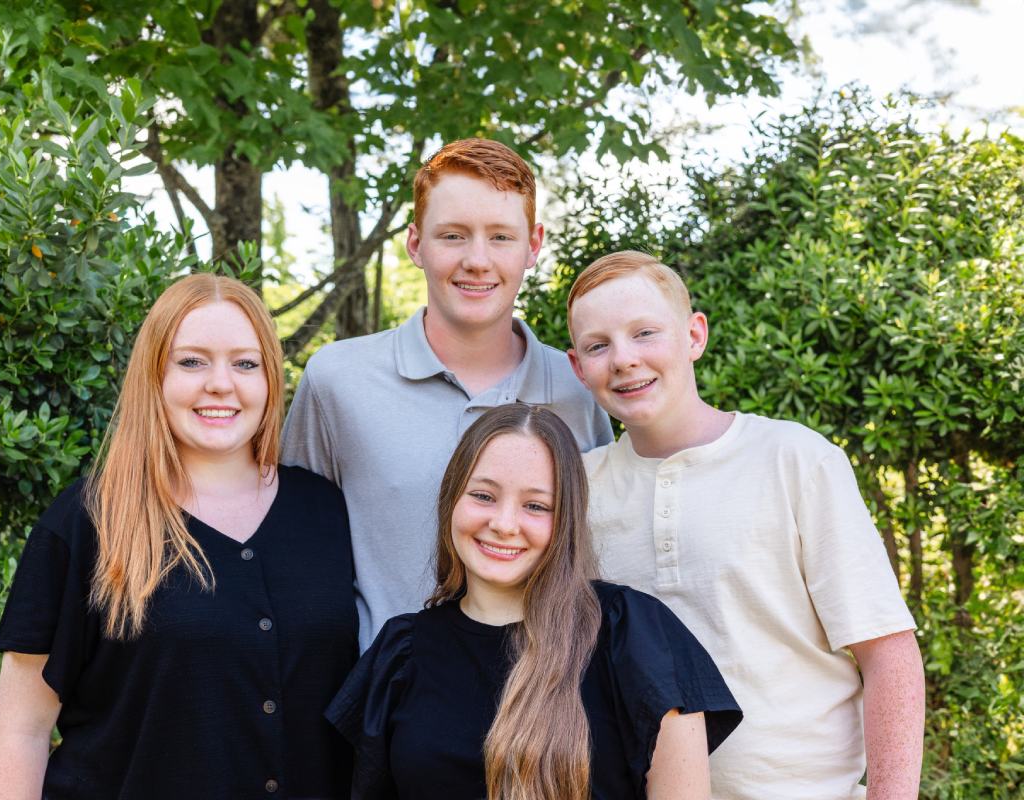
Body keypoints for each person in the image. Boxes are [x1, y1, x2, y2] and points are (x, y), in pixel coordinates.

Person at [566, 251, 925, 799]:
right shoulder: (576, 489)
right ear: (576, 367)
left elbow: (888, 652)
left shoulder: (796, 459)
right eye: (598, 345)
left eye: (645, 333)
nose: (623, 360)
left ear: (694, 335)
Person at [0, 274, 358, 799]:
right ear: (153, 374)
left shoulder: (326, 512)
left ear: (271, 378)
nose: (220, 383)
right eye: (192, 361)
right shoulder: (90, 520)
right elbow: (21, 731)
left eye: (245, 363)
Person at [283, 137, 613, 650]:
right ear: (415, 244)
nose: (477, 260)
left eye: (501, 237)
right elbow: (297, 555)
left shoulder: (579, 386)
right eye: (453, 236)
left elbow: (593, 554)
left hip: (544, 705)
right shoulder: (338, 380)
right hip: (383, 710)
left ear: (534, 245)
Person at [326, 403, 741, 799]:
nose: (504, 524)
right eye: (484, 496)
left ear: (566, 520)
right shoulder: (402, 653)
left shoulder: (633, 635)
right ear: (452, 499)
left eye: (536, 506)